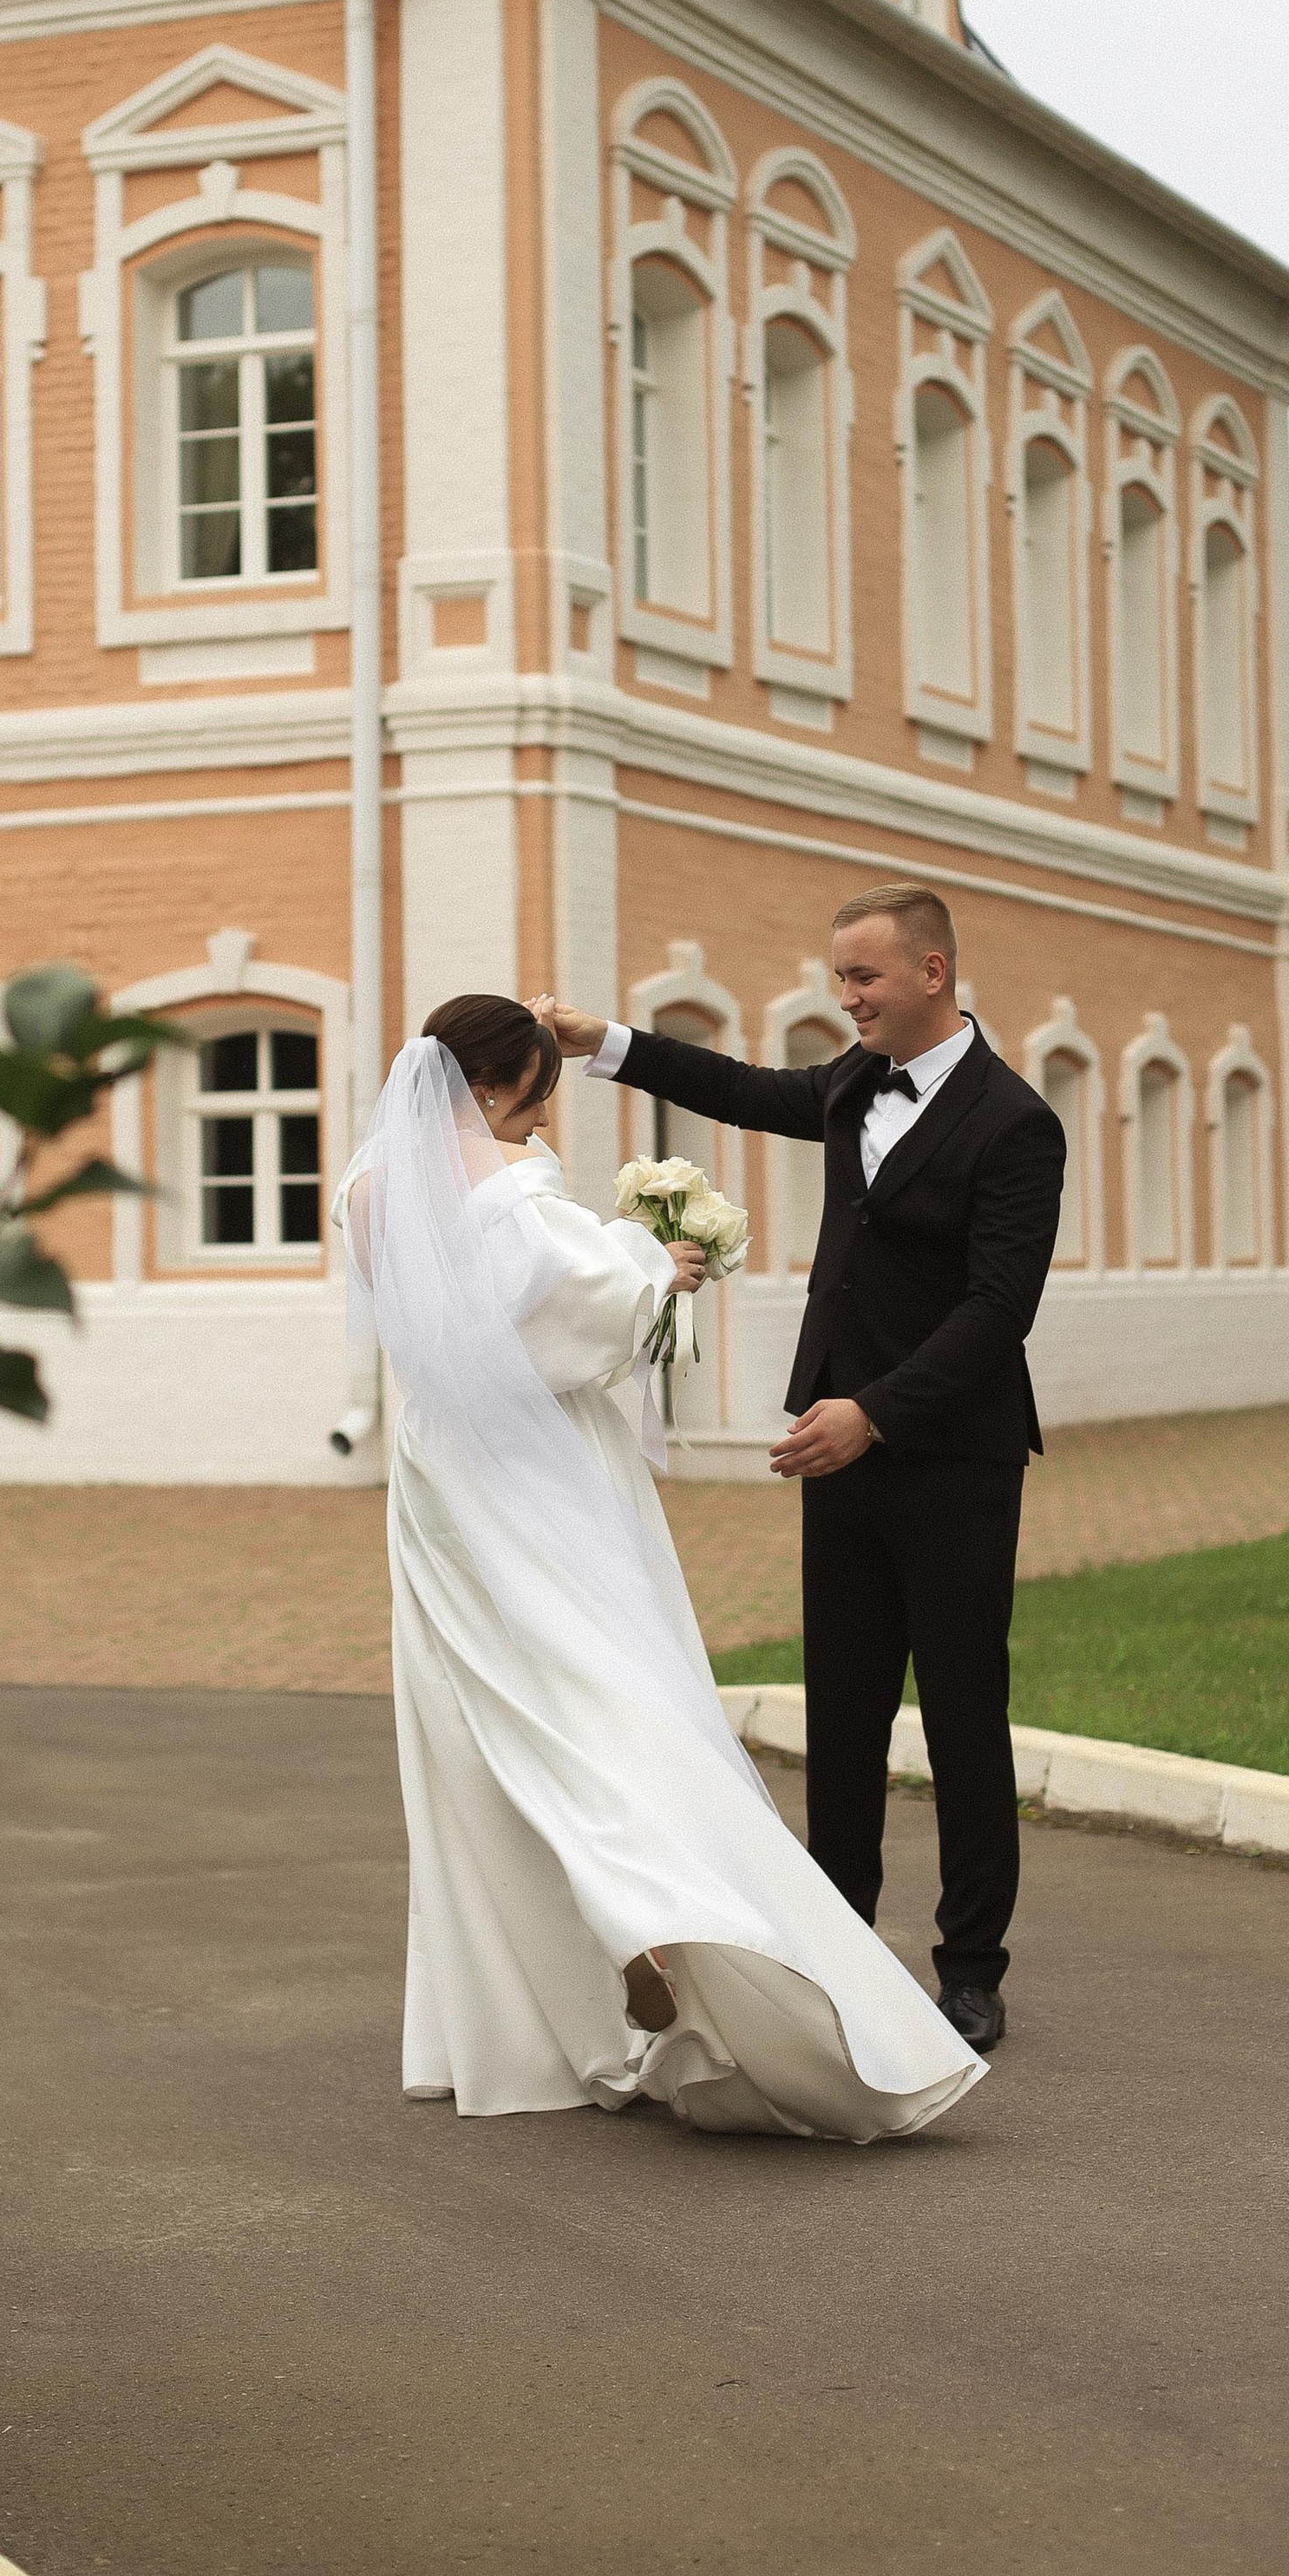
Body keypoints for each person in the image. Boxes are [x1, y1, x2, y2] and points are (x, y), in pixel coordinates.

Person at [337, 991, 984, 2138]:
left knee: (486, 1724)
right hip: (543, 1479)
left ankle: (524, 2007)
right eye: (537, 1098)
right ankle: (678, 1921)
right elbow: (581, 1330)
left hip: (440, 1477)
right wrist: (663, 1265)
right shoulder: (518, 1196)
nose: (544, 1123)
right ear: (496, 1092)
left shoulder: (370, 1188)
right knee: (618, 1697)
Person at [534, 886, 1065, 2056]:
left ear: (933, 972)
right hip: (838, 1450)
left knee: (966, 1716)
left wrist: (874, 1413)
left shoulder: (1015, 1123)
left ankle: (972, 1970)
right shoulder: (847, 1087)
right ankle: (834, 1951)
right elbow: (734, 1087)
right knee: (845, 1713)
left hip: (953, 1459)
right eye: (839, 977)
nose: (847, 999)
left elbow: (997, 1311)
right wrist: (602, 1045)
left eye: (865, 979)